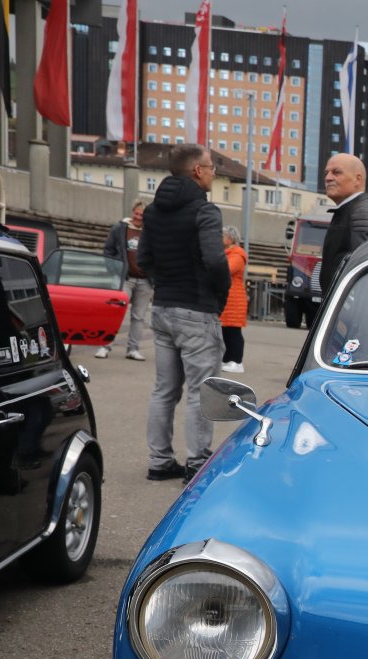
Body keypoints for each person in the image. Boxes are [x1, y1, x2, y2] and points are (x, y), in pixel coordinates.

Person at [138, 143, 229, 482]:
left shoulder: (152, 212)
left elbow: (143, 259)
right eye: (211, 167)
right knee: (200, 392)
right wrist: (219, 293)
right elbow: (215, 260)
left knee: (164, 390)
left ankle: (159, 461)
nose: (213, 173)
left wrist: (163, 284)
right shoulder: (205, 211)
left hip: (163, 308)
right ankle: (197, 464)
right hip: (197, 310)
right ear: (197, 170)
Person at [317, 153, 368, 292]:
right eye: (326, 173)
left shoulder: (361, 212)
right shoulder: (352, 210)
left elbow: (363, 267)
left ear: (357, 179)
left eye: (336, 172)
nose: (328, 178)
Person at [98, 200, 150, 360]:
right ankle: (105, 346)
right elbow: (108, 250)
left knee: (138, 317)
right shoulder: (119, 228)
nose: (138, 217)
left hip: (145, 281)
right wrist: (115, 270)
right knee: (115, 313)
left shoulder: (151, 231)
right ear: (132, 212)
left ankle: (133, 349)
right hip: (124, 278)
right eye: (136, 213)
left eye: (142, 215)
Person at [220, 226, 247, 373]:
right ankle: (227, 359)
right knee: (226, 331)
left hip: (234, 299)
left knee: (233, 332)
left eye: (222, 236)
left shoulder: (237, 254)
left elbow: (226, 269)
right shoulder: (227, 253)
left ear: (230, 239)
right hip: (228, 298)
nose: (220, 238)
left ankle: (236, 361)